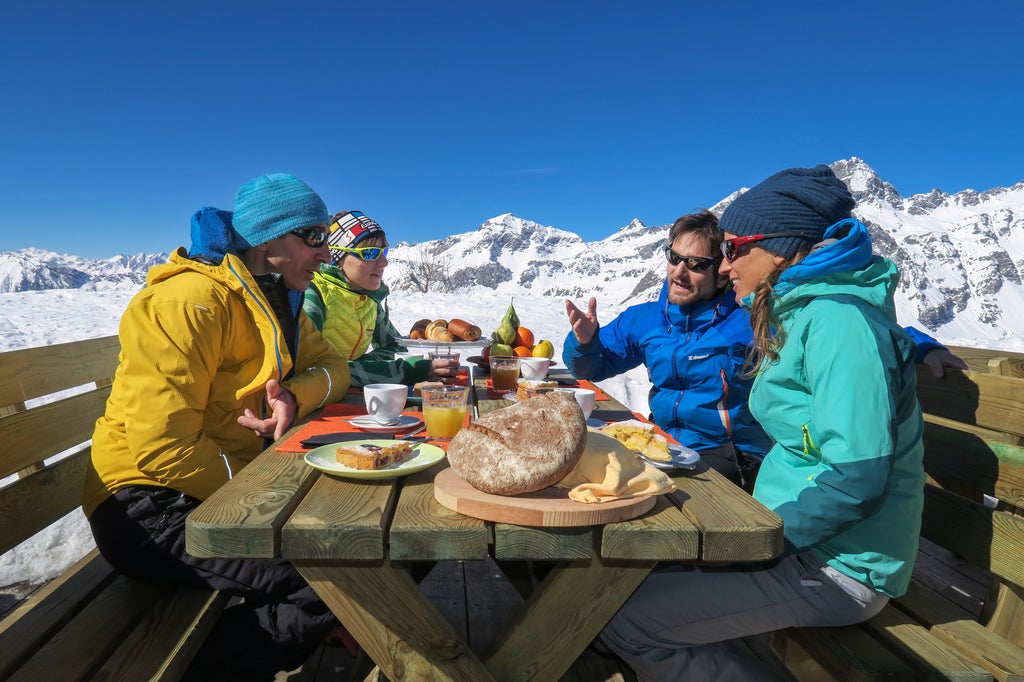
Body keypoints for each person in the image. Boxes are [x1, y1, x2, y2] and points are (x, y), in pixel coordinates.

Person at [599, 165, 928, 680]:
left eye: (732, 249)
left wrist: (756, 541)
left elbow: (859, 479)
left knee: (619, 619)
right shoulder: (802, 313)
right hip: (793, 539)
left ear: (777, 248)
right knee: (615, 580)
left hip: (837, 565)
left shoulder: (838, 323)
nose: (725, 266)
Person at [83, 173, 353, 680]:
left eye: (328, 239)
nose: (326, 253)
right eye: (314, 237)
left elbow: (335, 367)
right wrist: (262, 503)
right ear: (270, 238)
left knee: (350, 560)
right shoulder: (187, 303)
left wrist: (294, 395)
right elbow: (161, 447)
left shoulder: (282, 299)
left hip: (220, 487)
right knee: (335, 579)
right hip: (145, 504)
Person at [563, 214, 965, 491]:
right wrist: (584, 341)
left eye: (696, 264)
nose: (679, 272)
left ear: (722, 269)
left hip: (730, 458)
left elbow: (850, 324)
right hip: (667, 445)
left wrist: (924, 346)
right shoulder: (647, 319)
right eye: (674, 258)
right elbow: (592, 367)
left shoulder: (751, 316)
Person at [303, 210, 460, 386]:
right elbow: (313, 369)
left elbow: (394, 346)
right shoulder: (311, 294)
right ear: (336, 257)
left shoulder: (368, 299)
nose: (384, 262)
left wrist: (361, 368)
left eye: (383, 252)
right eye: (369, 253)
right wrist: (405, 370)